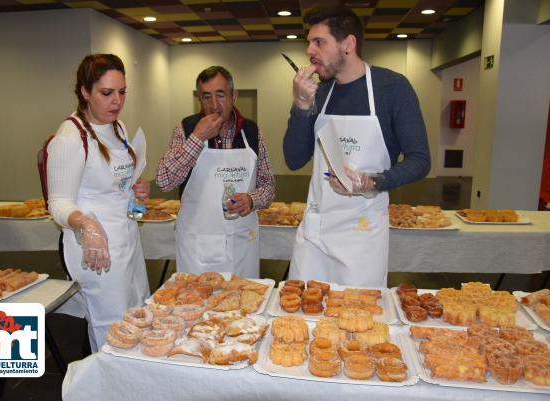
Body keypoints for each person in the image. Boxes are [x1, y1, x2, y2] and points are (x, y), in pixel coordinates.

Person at [283, 5, 431, 287]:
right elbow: (293, 159)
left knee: (358, 319)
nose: (310, 51)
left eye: (319, 42)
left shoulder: (392, 88)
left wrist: (372, 182)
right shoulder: (320, 93)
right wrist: (301, 106)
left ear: (348, 44)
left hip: (361, 235)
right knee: (303, 315)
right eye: (309, 42)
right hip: (316, 232)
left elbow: (420, 159)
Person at [47, 54, 150, 352]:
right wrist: (86, 223)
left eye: (122, 92)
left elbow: (116, 183)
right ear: (85, 92)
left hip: (127, 239)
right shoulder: (71, 137)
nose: (117, 101)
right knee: (111, 327)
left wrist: (134, 189)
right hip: (95, 248)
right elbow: (58, 202)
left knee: (136, 313)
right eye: (107, 93)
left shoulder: (118, 128)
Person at [156, 66, 275, 278]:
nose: (214, 105)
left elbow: (268, 186)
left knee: (244, 304)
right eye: (206, 97)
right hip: (198, 245)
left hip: (241, 245)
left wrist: (252, 199)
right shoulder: (186, 128)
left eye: (220, 95)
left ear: (233, 96)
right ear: (199, 99)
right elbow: (164, 180)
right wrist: (197, 138)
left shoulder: (251, 131)